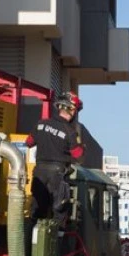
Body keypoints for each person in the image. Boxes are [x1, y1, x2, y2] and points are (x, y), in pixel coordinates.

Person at [25, 92, 84, 229]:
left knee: (37, 211)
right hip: (57, 176)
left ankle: (30, 245)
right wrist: (82, 146)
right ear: (71, 110)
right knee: (59, 214)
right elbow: (78, 156)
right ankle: (57, 246)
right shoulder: (70, 132)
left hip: (39, 173)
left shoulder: (41, 124)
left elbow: (28, 142)